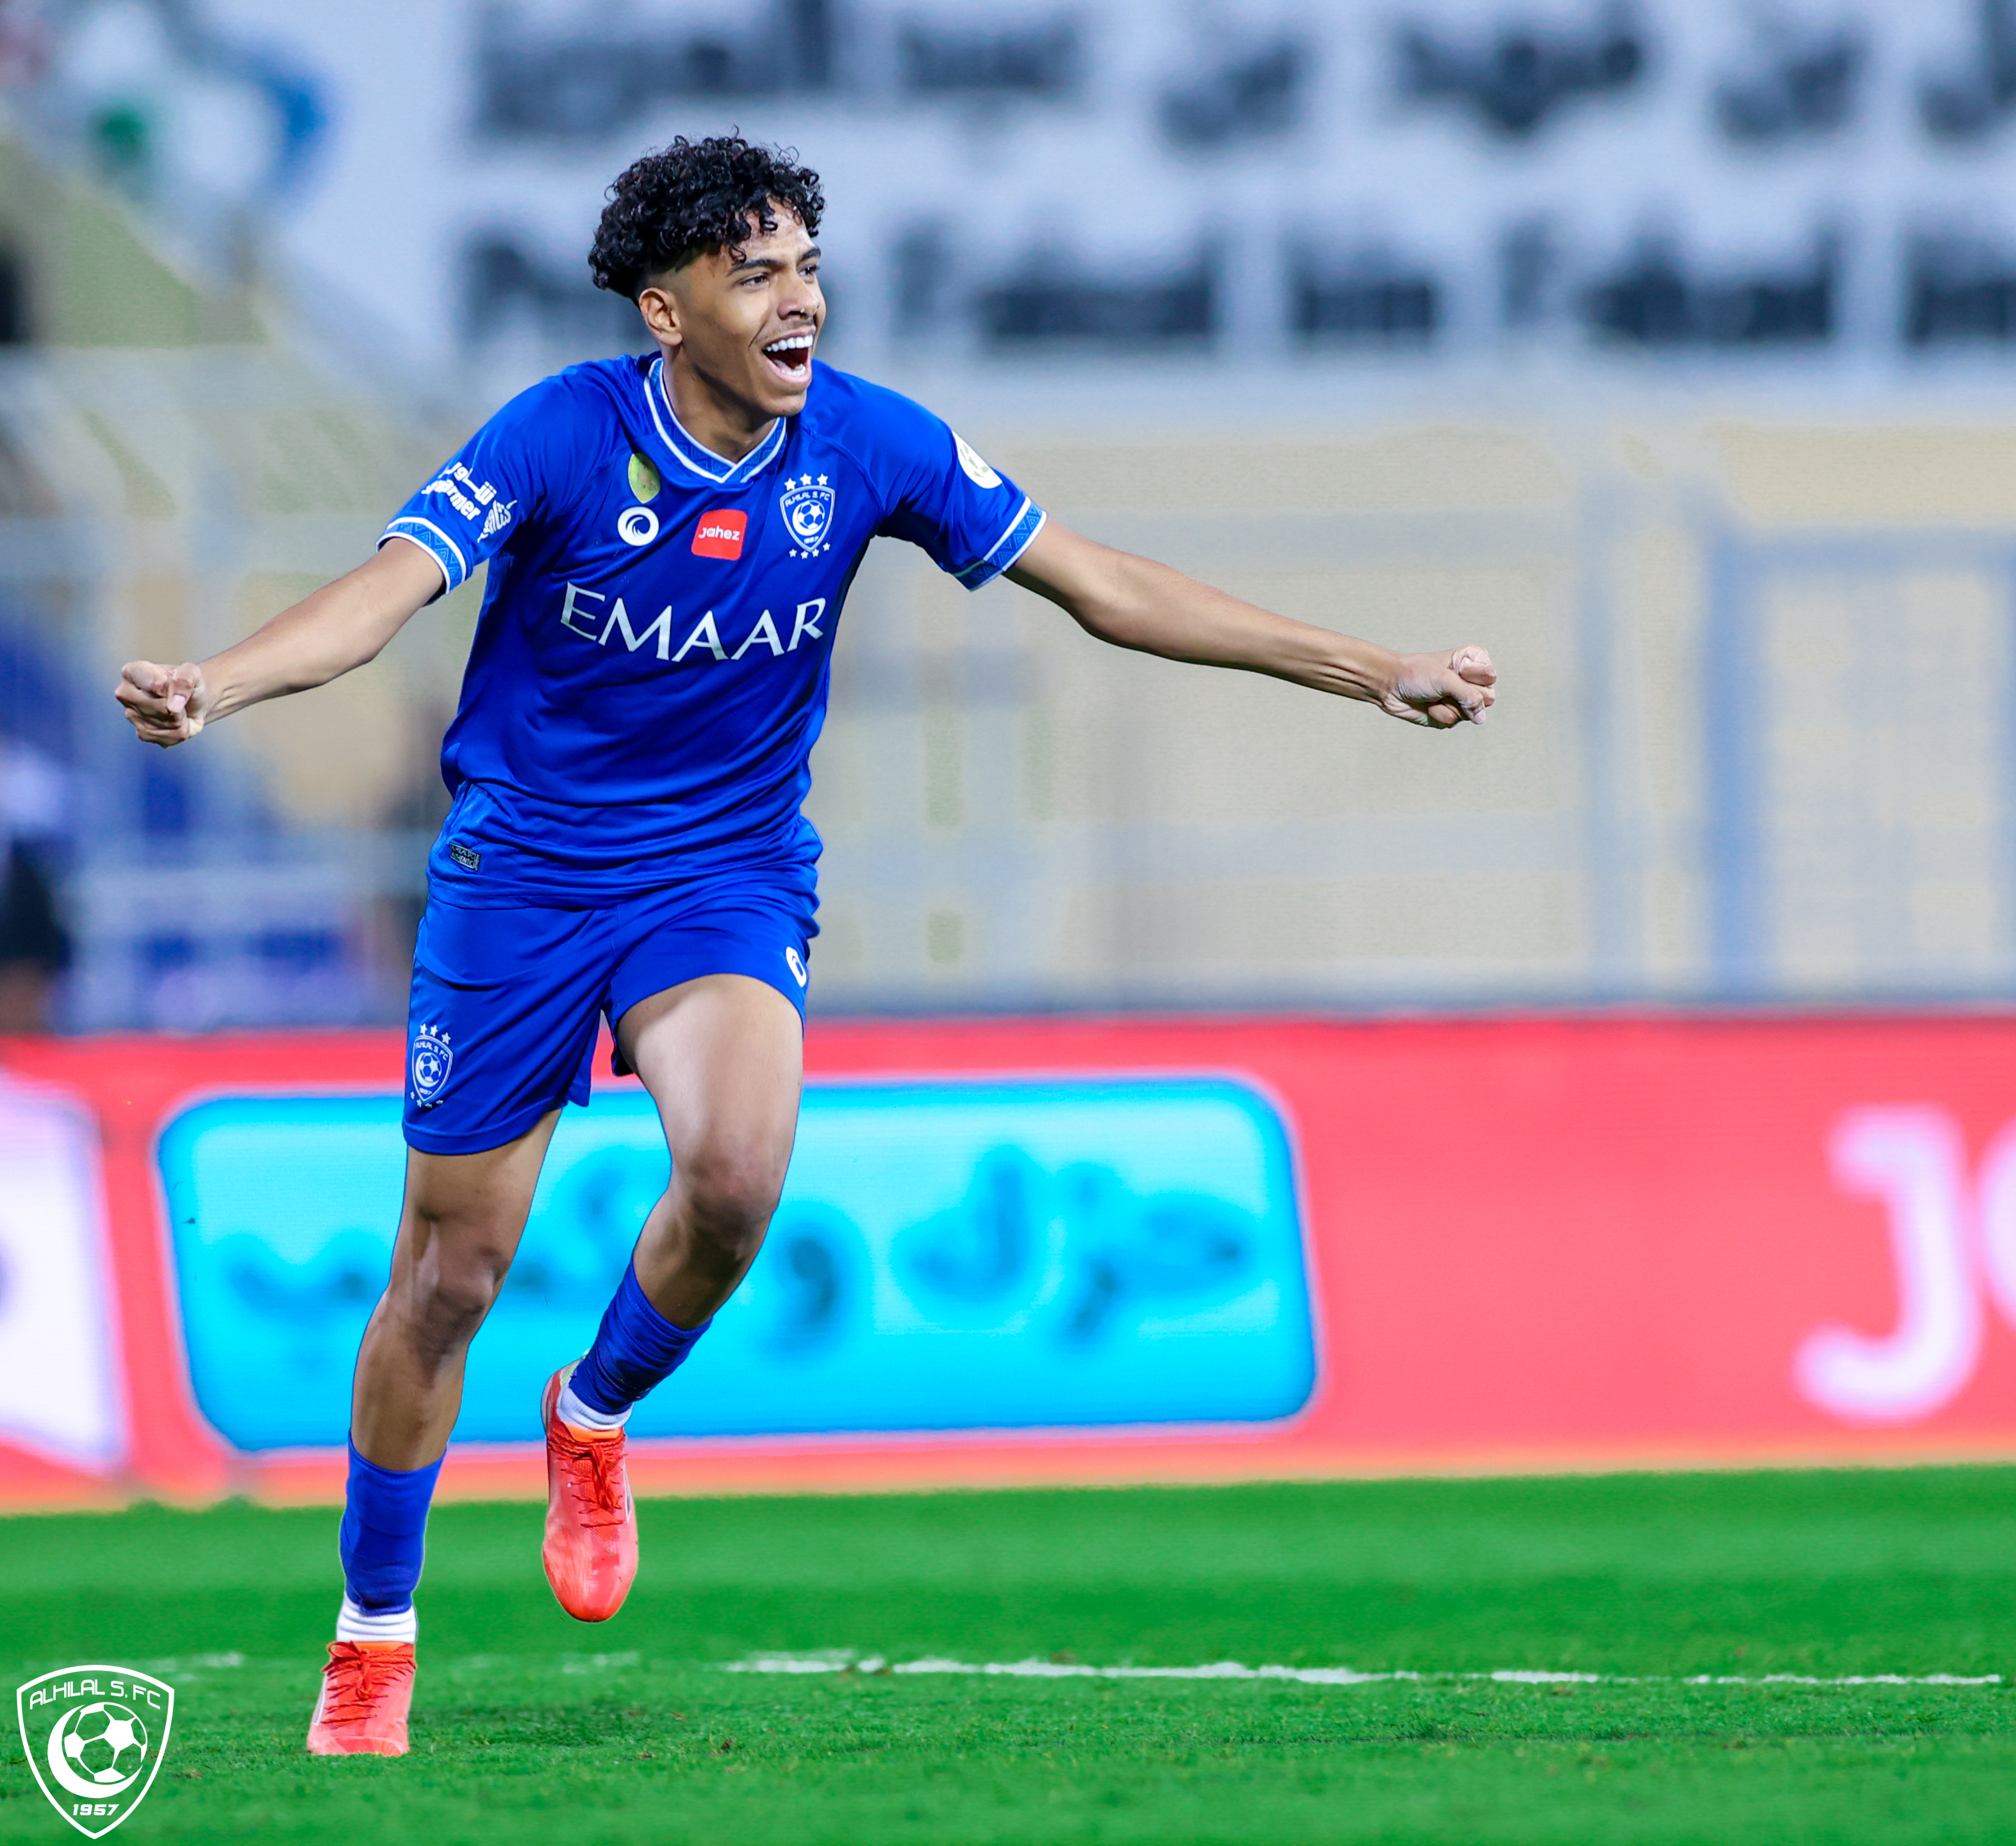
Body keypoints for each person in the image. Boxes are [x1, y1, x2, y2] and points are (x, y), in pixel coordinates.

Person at [115, 136, 1497, 1758]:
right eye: (755, 273)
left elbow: (1101, 584)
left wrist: (1371, 667)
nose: (801, 303)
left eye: (807, 268)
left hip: (725, 874)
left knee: (737, 1174)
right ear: (665, 311)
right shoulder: (561, 434)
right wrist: (218, 683)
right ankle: (373, 1633)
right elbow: (383, 594)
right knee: (449, 1277)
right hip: (525, 880)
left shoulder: (867, 443)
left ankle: (593, 1409)